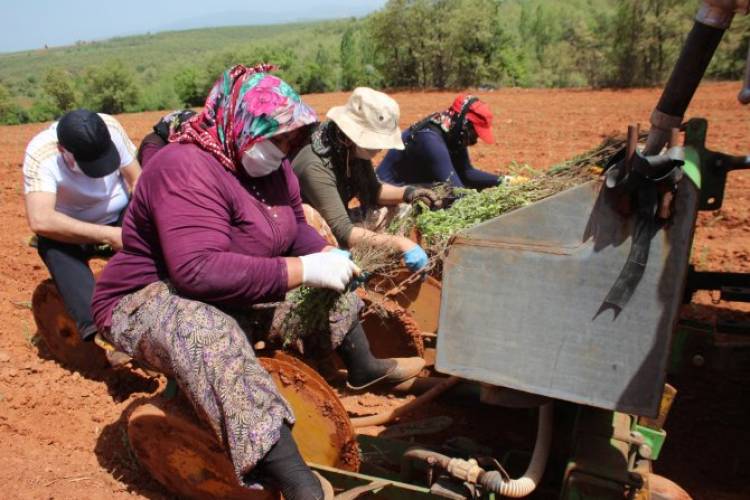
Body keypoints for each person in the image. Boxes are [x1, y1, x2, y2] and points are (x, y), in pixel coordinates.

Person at [91, 65, 424, 500]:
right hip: (147, 296)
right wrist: (302, 270)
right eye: (277, 139)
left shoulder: (275, 166)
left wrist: (321, 254)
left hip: (224, 286)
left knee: (326, 292)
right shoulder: (184, 167)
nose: (284, 150)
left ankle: (362, 368)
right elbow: (198, 271)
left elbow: (291, 229)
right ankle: (292, 478)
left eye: (292, 141)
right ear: (240, 123)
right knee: (209, 334)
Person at [23, 109, 141, 343]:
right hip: (73, 232)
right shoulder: (41, 154)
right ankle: (102, 328)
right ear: (63, 151)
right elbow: (40, 219)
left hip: (118, 216)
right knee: (51, 247)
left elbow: (137, 179)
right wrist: (108, 235)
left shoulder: (111, 129)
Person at [290, 87, 438, 271]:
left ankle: (380, 260)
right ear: (352, 134)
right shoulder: (314, 164)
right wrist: (400, 243)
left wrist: (410, 193)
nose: (380, 149)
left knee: (403, 211)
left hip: (338, 226)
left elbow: (373, 191)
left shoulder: (350, 149)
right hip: (313, 237)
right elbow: (343, 231)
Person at [376, 94, 501, 190]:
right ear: (464, 124)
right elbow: (457, 192)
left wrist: (507, 181)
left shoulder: (452, 132)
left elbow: (466, 174)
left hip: (412, 187)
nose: (475, 140)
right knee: (443, 197)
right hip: (387, 194)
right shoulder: (430, 140)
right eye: (474, 134)